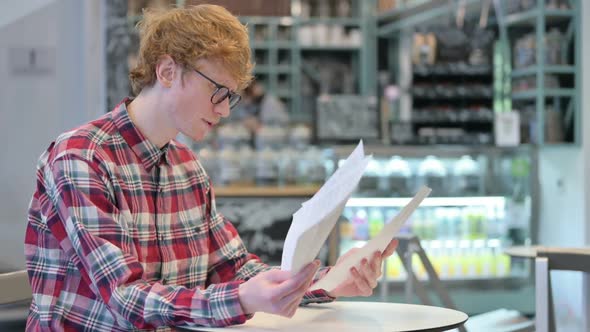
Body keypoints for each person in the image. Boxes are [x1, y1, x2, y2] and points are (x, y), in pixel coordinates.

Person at [24, 4, 398, 331]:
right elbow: (125, 298)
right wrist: (242, 300)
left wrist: (328, 280)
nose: (223, 110)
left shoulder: (186, 167)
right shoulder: (81, 158)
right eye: (218, 91)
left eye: (231, 98)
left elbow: (235, 270)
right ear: (168, 71)